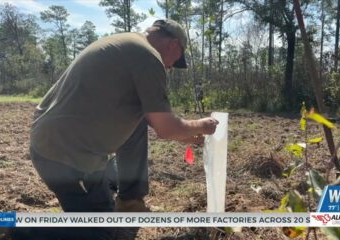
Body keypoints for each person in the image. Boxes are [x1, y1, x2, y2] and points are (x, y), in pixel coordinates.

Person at [28, 19, 218, 239]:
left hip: (61, 142)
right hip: (64, 157)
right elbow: (166, 128)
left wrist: (184, 135)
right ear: (173, 45)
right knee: (103, 234)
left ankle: (130, 202)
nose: (170, 67)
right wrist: (201, 126)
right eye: (175, 62)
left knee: (137, 121)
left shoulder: (128, 43)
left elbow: (153, 119)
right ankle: (12, 227)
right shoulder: (148, 58)